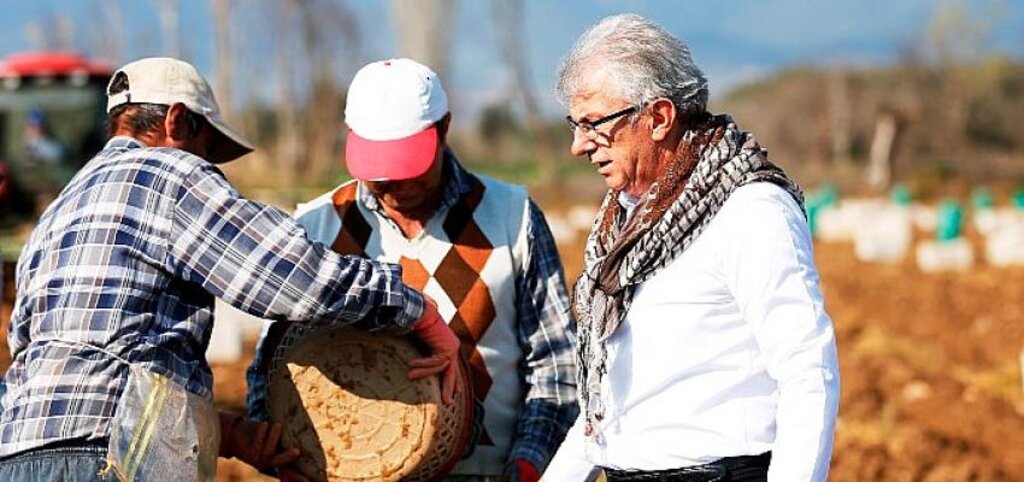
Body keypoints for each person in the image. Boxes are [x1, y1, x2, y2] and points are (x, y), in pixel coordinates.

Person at [0, 57, 462, 481]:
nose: (205, 165)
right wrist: (414, 308)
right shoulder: (169, 173)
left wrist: (233, 436)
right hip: (111, 459)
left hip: (18, 456)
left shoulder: (56, 215)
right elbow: (288, 277)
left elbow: (51, 362)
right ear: (177, 120)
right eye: (205, 147)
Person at [246, 58, 578, 482]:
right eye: (379, 172)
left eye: (408, 168)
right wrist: (283, 454)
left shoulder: (512, 217)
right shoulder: (316, 226)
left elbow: (556, 365)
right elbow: (270, 366)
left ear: (443, 129)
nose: (394, 186)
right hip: (351, 470)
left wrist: (528, 466)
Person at [543, 14, 840, 482]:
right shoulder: (623, 223)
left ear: (659, 118)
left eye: (594, 123)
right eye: (574, 125)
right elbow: (606, 401)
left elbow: (809, 373)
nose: (579, 145)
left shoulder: (749, 211)